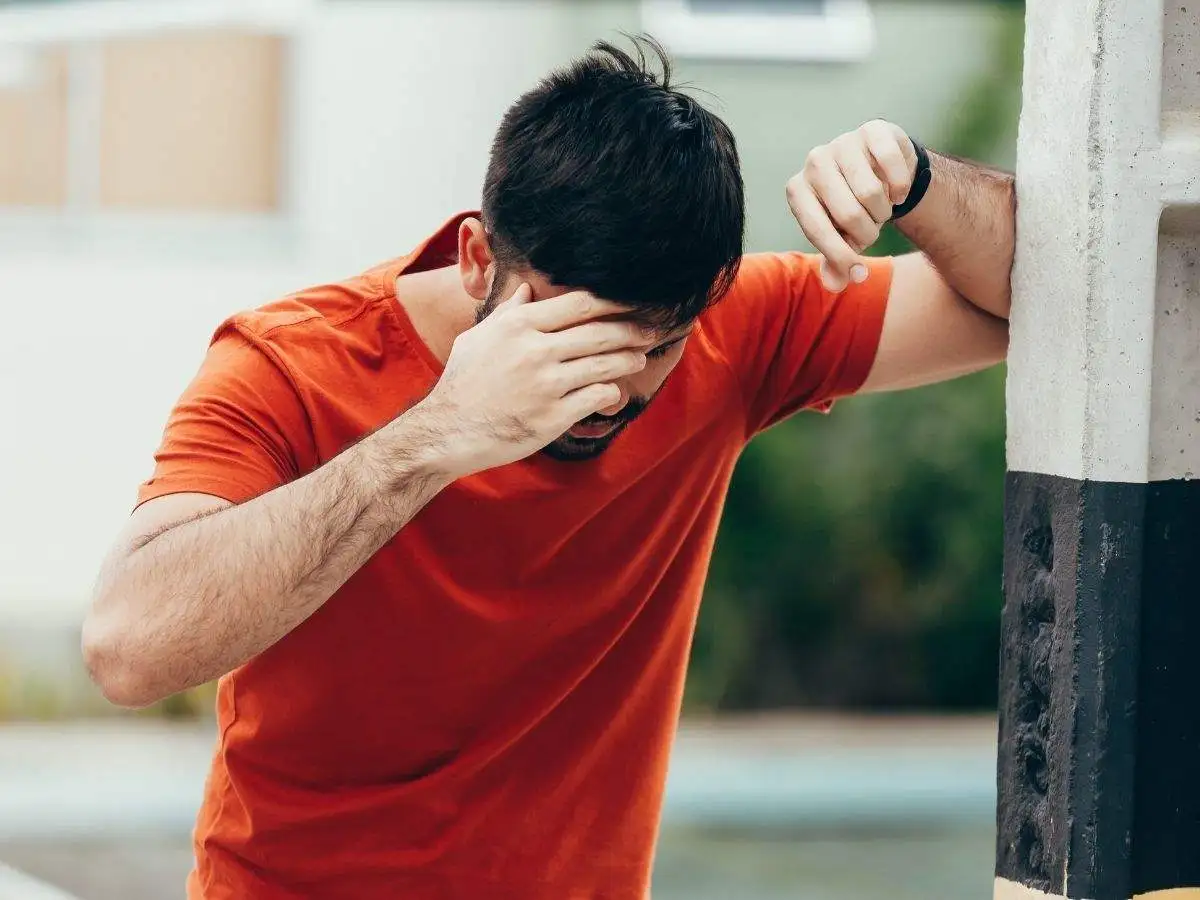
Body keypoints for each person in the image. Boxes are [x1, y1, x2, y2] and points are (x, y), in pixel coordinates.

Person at [82, 36, 1012, 900]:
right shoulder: (290, 362)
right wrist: (436, 435)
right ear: (480, 260)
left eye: (649, 351)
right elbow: (127, 647)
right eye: (572, 343)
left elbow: (1049, 295)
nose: (606, 395)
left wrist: (918, 179)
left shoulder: (735, 332)